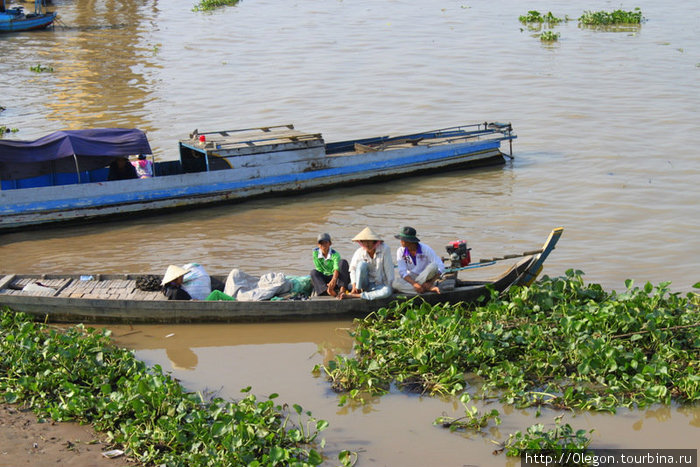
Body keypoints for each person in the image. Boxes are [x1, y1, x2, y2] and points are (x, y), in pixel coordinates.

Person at [342, 227, 394, 300]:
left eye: (369, 241)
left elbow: (389, 269)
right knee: (361, 265)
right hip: (365, 285)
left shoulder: (385, 249)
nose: (367, 244)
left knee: (387, 291)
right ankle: (358, 290)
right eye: (364, 241)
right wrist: (354, 285)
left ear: (374, 241)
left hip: (380, 284)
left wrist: (390, 285)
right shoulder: (359, 252)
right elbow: (353, 269)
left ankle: (357, 296)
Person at [392, 226, 445, 294]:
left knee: (434, 266)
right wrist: (414, 284)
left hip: (425, 276)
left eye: (403, 240)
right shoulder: (400, 251)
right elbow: (402, 272)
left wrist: (430, 282)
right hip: (411, 277)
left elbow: (441, 266)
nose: (401, 242)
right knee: (395, 284)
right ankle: (426, 288)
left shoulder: (425, 249)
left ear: (409, 241)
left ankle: (417, 288)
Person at [310, 233, 350, 297]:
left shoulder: (335, 254)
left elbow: (336, 268)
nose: (323, 245)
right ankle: (327, 291)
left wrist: (333, 280)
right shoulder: (315, 253)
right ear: (318, 245)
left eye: (325, 243)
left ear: (330, 243)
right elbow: (319, 268)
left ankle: (342, 290)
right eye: (321, 243)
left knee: (343, 262)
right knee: (313, 272)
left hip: (336, 278)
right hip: (325, 279)